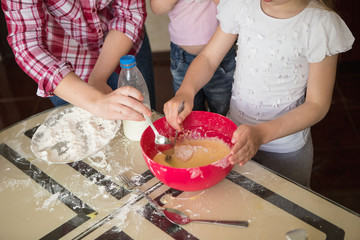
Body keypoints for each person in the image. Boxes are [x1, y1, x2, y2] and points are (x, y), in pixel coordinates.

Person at [163, 0, 355, 187]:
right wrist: (186, 90)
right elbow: (208, 58)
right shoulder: (242, 4)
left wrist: (261, 134)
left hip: (285, 150)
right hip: (235, 139)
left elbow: (317, 105)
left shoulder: (320, 24)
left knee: (285, 211)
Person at [1, 0, 154, 121]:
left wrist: (98, 78)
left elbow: (129, 15)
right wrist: (93, 101)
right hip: (65, 66)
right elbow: (28, 45)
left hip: (124, 47)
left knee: (141, 123)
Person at [149, 0, 236, 115]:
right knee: (188, 110)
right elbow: (157, 8)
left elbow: (235, 9)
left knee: (222, 109)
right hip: (182, 57)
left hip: (222, 55)